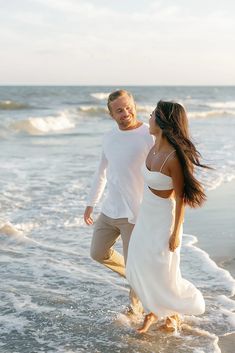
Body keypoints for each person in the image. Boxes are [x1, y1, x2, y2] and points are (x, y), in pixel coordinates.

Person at [126, 100, 208, 333]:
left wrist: (175, 233)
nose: (148, 117)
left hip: (165, 220)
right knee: (137, 264)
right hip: (146, 215)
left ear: (162, 121)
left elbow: (181, 198)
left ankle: (169, 312)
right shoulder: (154, 147)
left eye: (153, 114)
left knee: (162, 268)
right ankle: (156, 308)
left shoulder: (173, 157)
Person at [83, 89, 154, 313]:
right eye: (119, 110)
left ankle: (136, 309)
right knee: (97, 252)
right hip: (110, 209)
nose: (126, 113)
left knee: (135, 264)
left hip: (135, 212)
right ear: (111, 114)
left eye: (129, 107)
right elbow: (101, 172)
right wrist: (90, 203)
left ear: (134, 105)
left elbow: (162, 169)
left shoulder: (149, 134)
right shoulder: (109, 137)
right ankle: (140, 276)